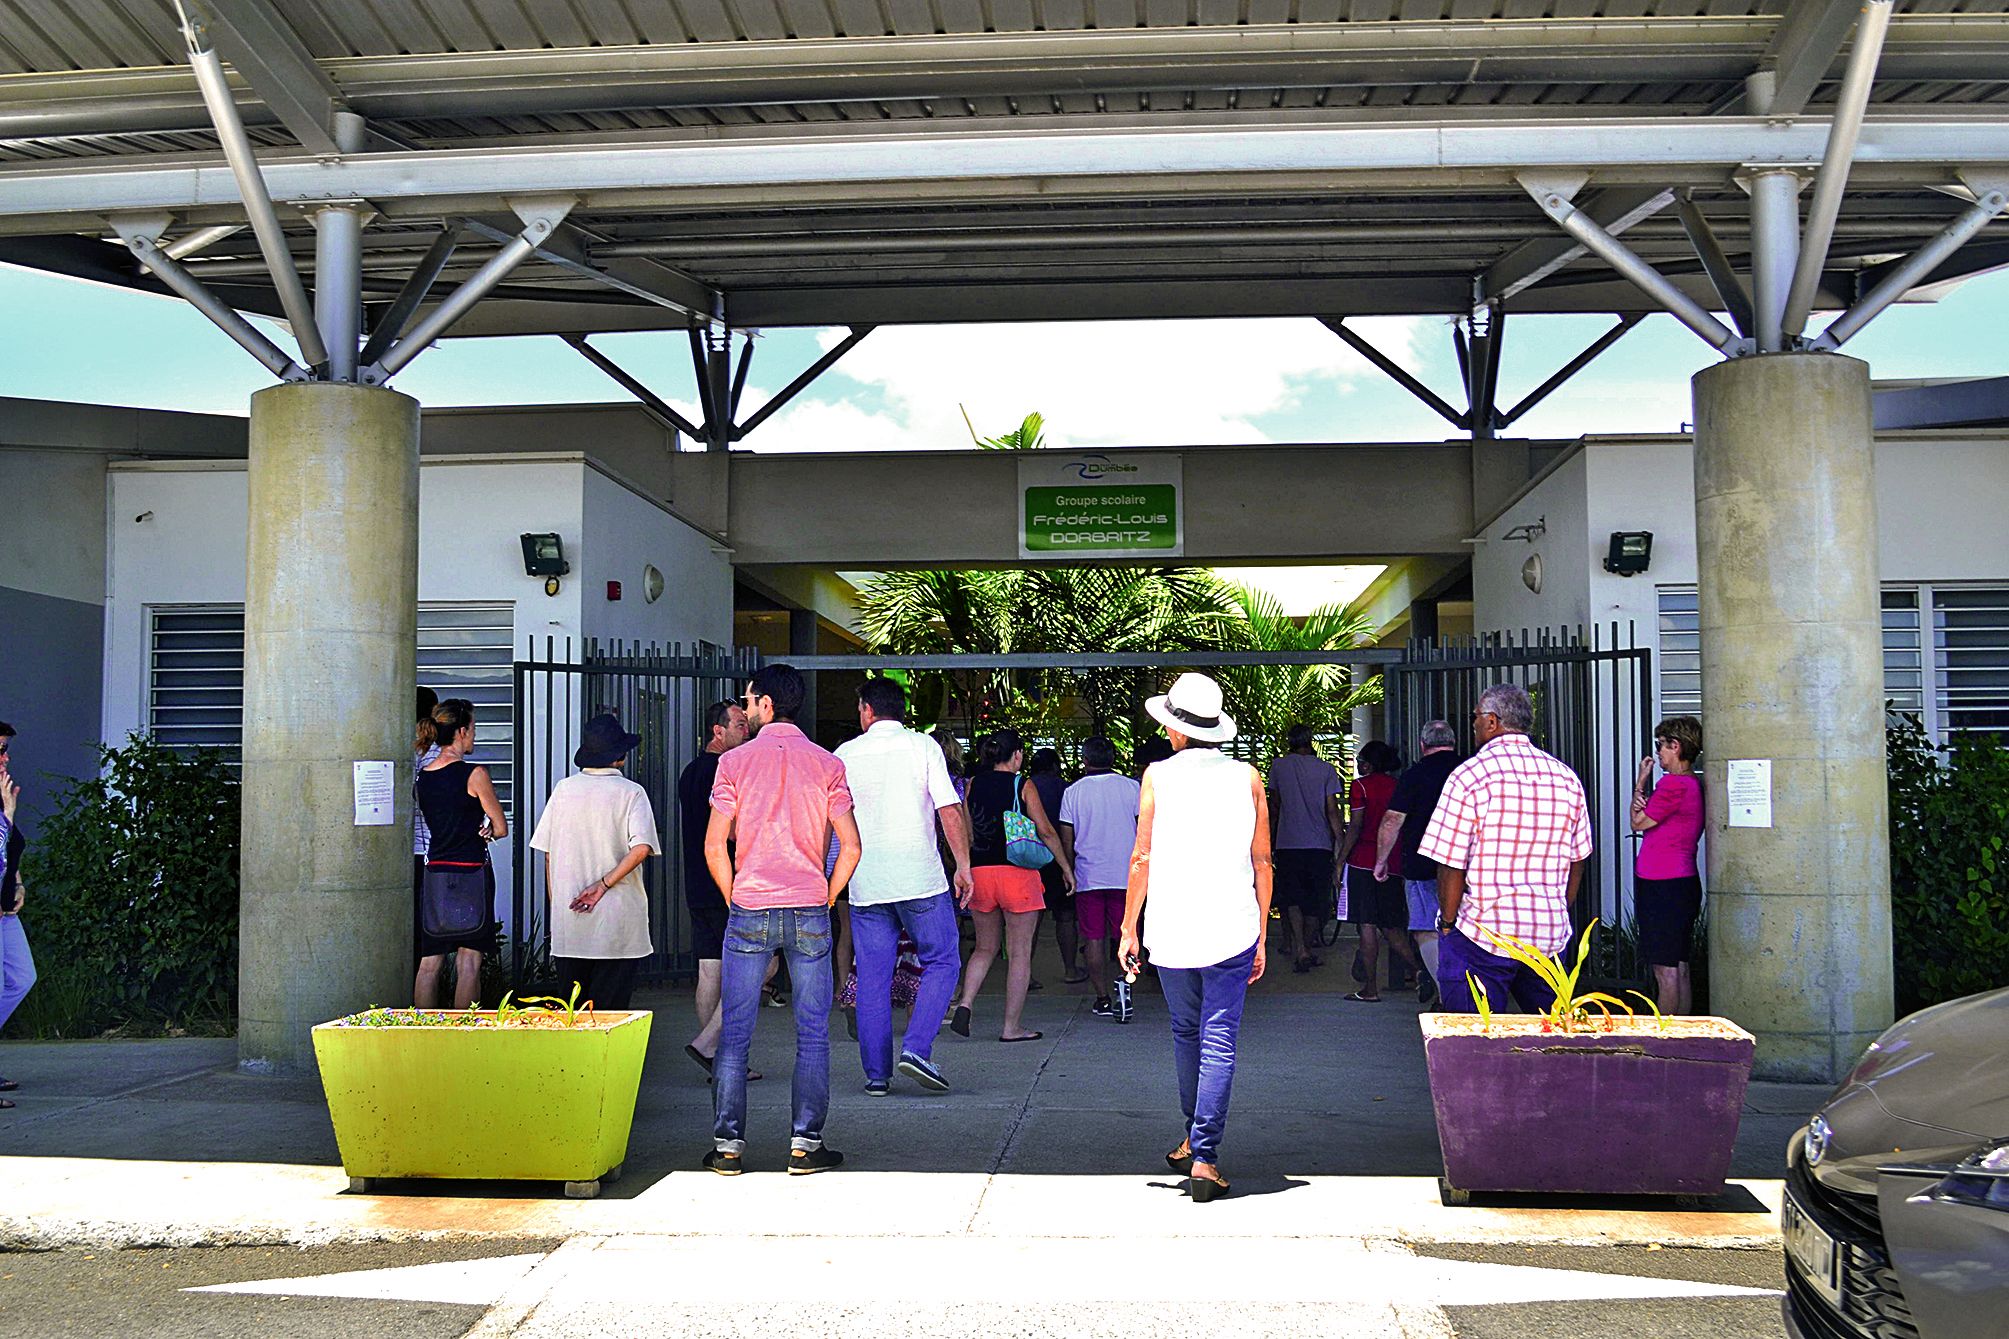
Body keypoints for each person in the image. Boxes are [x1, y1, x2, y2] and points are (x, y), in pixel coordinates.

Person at [1118, 673, 1271, 1202]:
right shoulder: (1248, 778)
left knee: (1186, 1032)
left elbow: (1143, 856)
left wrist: (1127, 926)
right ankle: (1203, 1155)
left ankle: (1194, 1137)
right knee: (1219, 1038)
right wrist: (1264, 933)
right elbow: (1262, 861)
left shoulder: (1158, 775)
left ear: (1176, 730)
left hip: (1171, 927)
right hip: (1234, 927)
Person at [703, 663, 859, 1175]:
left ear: (767, 704)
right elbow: (852, 847)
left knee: (736, 1033)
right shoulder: (827, 763)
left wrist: (734, 897)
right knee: (813, 1033)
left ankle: (728, 1150)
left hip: (750, 902)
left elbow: (713, 845)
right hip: (809, 905)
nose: (745, 710)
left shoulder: (734, 764)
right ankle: (805, 1145)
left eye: (748, 701)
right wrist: (827, 896)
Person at [833, 677, 973, 1095]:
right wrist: (963, 865)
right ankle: (916, 1047)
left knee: (873, 977)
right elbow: (948, 810)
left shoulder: (844, 755)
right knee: (943, 960)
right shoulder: (923, 747)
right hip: (920, 879)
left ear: (866, 710)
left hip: (866, 882)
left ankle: (877, 1076)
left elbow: (830, 818)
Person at [1416, 684, 1593, 1014]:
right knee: (1550, 1043)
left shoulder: (1469, 776)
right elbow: (1578, 859)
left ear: (1492, 721)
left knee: (1474, 1045)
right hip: (1548, 936)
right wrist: (1558, 908)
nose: (1473, 724)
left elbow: (1451, 865)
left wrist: (1448, 925)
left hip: (1480, 935)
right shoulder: (1566, 778)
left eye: (1476, 717)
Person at [530, 714, 661, 1011]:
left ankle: (569, 1061)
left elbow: (548, 853)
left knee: (571, 1017)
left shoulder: (563, 790)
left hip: (571, 922)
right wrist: (602, 885)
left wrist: (558, 907)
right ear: (620, 757)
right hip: (619, 922)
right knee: (610, 1015)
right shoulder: (631, 792)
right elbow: (641, 848)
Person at [953, 728, 1074, 1043]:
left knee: (984, 948)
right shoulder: (1023, 784)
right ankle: (1011, 1028)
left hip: (981, 874)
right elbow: (1046, 831)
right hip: (1017, 874)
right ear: (1017, 755)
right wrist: (1064, 866)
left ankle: (965, 1003)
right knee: (1019, 953)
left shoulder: (972, 785)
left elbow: (967, 834)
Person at [677, 698, 762, 1074]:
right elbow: (730, 833)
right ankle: (712, 1045)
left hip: (697, 883)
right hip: (729, 882)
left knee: (710, 969)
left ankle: (713, 1053)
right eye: (740, 725)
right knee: (764, 964)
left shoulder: (689, 772)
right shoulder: (728, 771)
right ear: (718, 731)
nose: (748, 730)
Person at [414, 699, 508, 1009]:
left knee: (429, 964)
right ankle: (465, 1032)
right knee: (468, 963)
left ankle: (422, 1033)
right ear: (462, 731)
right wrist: (486, 829)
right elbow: (500, 827)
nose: (474, 737)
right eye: (474, 731)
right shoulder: (474, 774)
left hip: (436, 873)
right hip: (471, 872)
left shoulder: (423, 776)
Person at [1374, 719, 1461, 1006]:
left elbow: (1391, 821)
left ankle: (1445, 992)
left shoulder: (1413, 775)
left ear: (1423, 745)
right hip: (1467, 865)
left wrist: (1381, 861)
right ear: (1454, 742)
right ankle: (1467, 993)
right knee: (1465, 929)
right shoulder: (1469, 771)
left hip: (1422, 863)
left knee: (1426, 927)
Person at [1057, 735, 1141, 1018]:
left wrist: (1068, 871)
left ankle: (1103, 997)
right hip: (1126, 876)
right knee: (1126, 935)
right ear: (1114, 759)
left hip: (1088, 876)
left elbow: (1067, 839)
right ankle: (1125, 991)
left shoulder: (1073, 792)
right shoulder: (1132, 788)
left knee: (1093, 938)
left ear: (1085, 760)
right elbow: (1144, 833)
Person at [1632, 715, 1704, 1015]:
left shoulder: (1674, 786)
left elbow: (1637, 822)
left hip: (1662, 884)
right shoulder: (1692, 783)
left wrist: (1641, 781)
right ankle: (1684, 1038)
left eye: (1661, 745)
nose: (1658, 752)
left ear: (1676, 746)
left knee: (1665, 971)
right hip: (1681, 881)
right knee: (1680, 966)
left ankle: (1665, 1043)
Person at [1340, 740, 1421, 1003]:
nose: (1359, 764)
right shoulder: (1398, 787)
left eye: (1362, 759)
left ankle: (1371, 988)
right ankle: (1422, 972)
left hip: (1363, 860)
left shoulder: (1360, 786)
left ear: (1370, 763)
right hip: (1393, 862)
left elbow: (1356, 826)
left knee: (1367, 925)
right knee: (1392, 926)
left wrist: (1340, 859)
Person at [1265, 724, 1344, 973]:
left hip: (1288, 843)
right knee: (1315, 900)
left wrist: (1268, 839)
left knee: (1292, 899)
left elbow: (1275, 806)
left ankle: (1299, 947)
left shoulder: (1278, 767)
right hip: (1319, 844)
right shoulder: (1326, 770)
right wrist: (1339, 842)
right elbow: (1332, 810)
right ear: (1311, 742)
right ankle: (1307, 947)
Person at [1, 720, 36, 1108]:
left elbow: (11, 849)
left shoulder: (1, 793)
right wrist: (7, 816)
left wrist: (19, 884)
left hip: (6, 908)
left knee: (20, 978)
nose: (6, 756)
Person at [1026, 747, 1081, 986]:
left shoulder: (1024, 786)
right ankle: (1070, 969)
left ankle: (1024, 974)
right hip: (1060, 859)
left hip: (1029, 860)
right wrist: (1068, 864)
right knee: (1066, 917)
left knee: (1030, 921)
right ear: (1055, 766)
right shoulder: (1065, 788)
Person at [413, 686, 440, 959]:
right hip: (430, 849)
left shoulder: (397, 742)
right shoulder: (433, 750)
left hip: (406, 849)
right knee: (429, 937)